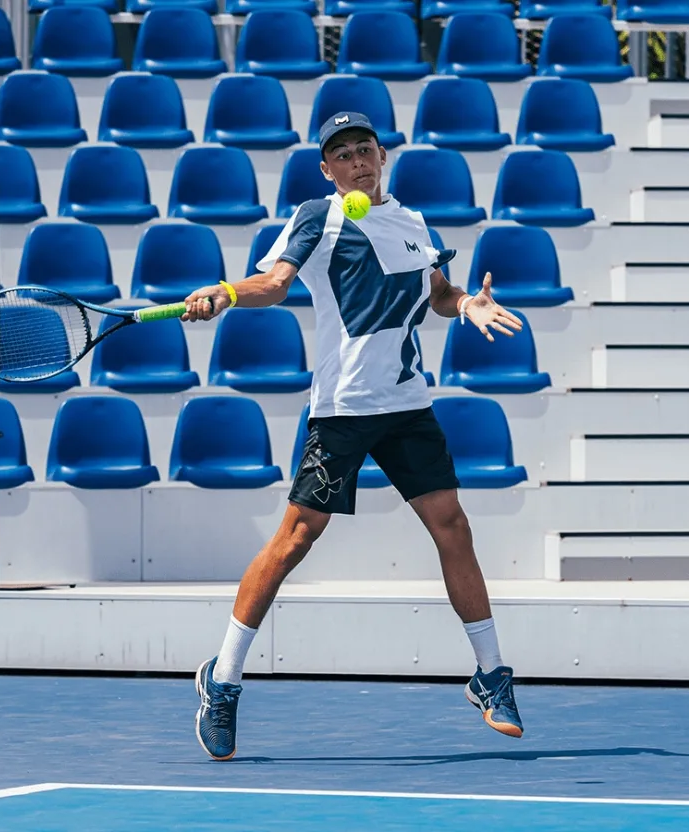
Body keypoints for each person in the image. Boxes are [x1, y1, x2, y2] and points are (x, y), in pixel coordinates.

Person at [183, 112, 525, 762]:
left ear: (380, 156)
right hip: (341, 409)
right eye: (342, 155)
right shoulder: (319, 216)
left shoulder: (413, 223)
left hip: (406, 404)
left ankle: (491, 675)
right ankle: (222, 678)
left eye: (364, 150)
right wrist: (226, 292)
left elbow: (438, 293)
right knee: (294, 541)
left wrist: (466, 304)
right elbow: (274, 284)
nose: (356, 161)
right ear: (327, 169)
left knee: (452, 525)